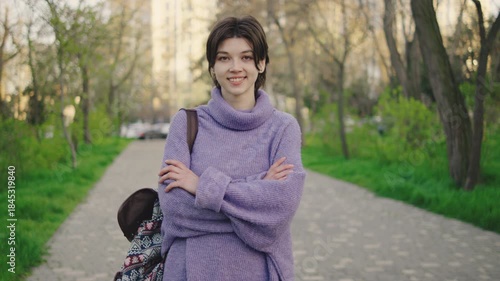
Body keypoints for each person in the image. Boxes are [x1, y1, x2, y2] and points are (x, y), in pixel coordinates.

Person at [157, 15, 306, 281]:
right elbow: (175, 209)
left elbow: (279, 210)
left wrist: (200, 185)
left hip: (260, 272)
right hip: (189, 272)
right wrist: (259, 188)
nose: (235, 67)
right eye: (224, 58)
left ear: (261, 63)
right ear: (212, 67)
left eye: (246, 57)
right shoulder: (188, 123)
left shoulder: (283, 128)